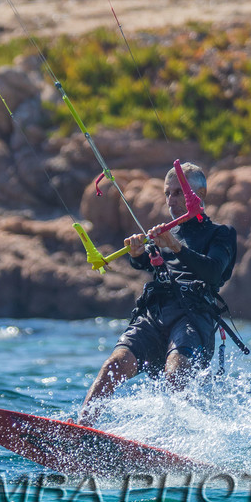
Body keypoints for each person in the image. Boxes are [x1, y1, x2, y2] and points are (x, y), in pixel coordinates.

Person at [79, 163, 239, 422]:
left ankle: (185, 441)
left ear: (199, 194)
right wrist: (138, 254)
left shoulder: (221, 234)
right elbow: (148, 264)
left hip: (193, 315)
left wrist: (176, 247)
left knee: (176, 372)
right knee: (114, 365)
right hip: (155, 312)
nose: (171, 200)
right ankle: (81, 428)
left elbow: (213, 272)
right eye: (167, 193)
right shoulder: (165, 234)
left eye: (178, 193)